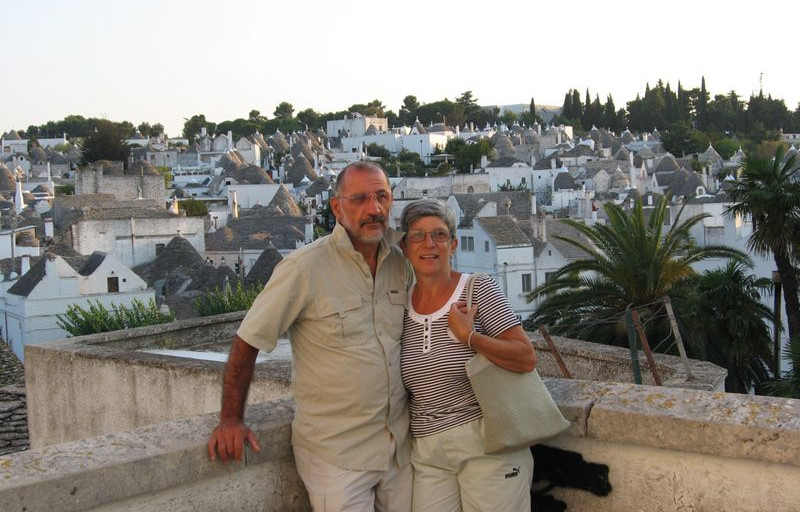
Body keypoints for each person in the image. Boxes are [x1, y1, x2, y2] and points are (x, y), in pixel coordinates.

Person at [207, 161, 413, 512]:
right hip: (338, 457)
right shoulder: (304, 268)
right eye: (360, 199)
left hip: (399, 451)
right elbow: (248, 340)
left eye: (382, 196)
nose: (374, 209)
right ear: (337, 207)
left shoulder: (400, 263)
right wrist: (230, 418)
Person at [398, 198, 537, 512]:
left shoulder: (477, 290)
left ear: (454, 244)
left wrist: (470, 338)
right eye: (418, 236)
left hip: (487, 444)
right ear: (405, 247)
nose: (429, 244)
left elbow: (525, 357)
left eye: (439, 235)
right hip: (428, 451)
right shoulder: (399, 305)